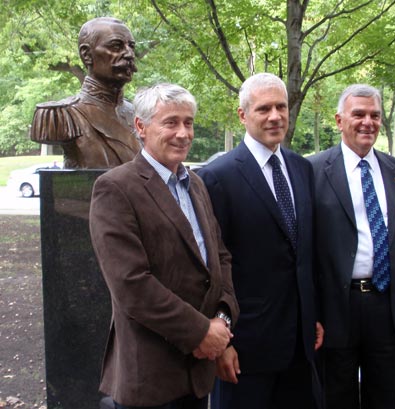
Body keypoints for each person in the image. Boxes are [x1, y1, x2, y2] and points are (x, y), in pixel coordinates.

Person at [89, 83, 239, 409]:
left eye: (189, 122)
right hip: (150, 376)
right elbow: (131, 284)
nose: (183, 133)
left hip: (198, 373)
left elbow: (219, 259)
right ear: (141, 127)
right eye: (170, 122)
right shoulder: (116, 188)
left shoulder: (195, 183)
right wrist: (201, 332)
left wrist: (223, 321)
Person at [198, 73, 324, 409]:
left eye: (281, 107)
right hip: (245, 349)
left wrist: (314, 314)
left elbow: (304, 253)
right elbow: (210, 268)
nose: (275, 116)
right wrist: (221, 343)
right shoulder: (216, 177)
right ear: (243, 115)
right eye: (264, 108)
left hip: (300, 346)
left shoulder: (301, 168)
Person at [307, 84, 395, 409]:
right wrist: (310, 312)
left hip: (388, 307)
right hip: (337, 308)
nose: (368, 122)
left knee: (386, 397)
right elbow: (304, 251)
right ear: (339, 120)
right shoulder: (312, 171)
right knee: (336, 397)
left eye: (375, 115)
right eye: (359, 114)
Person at [30, 17, 141, 169]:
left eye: (131, 47)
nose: (129, 54)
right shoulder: (61, 115)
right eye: (116, 46)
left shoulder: (139, 114)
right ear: (87, 55)